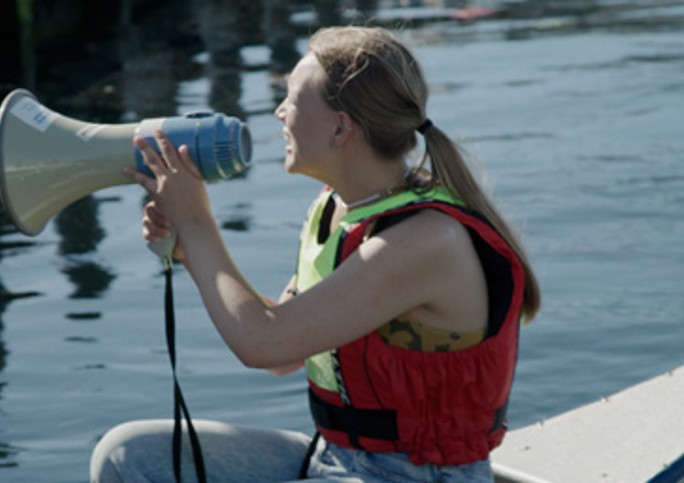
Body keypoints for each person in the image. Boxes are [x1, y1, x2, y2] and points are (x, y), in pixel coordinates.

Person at [90, 25, 540, 482]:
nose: (279, 112)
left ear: (341, 126)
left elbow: (264, 345)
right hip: (336, 456)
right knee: (127, 457)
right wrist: (191, 253)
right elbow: (287, 352)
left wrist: (198, 224)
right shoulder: (336, 208)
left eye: (291, 99)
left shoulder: (423, 239)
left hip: (417, 474)